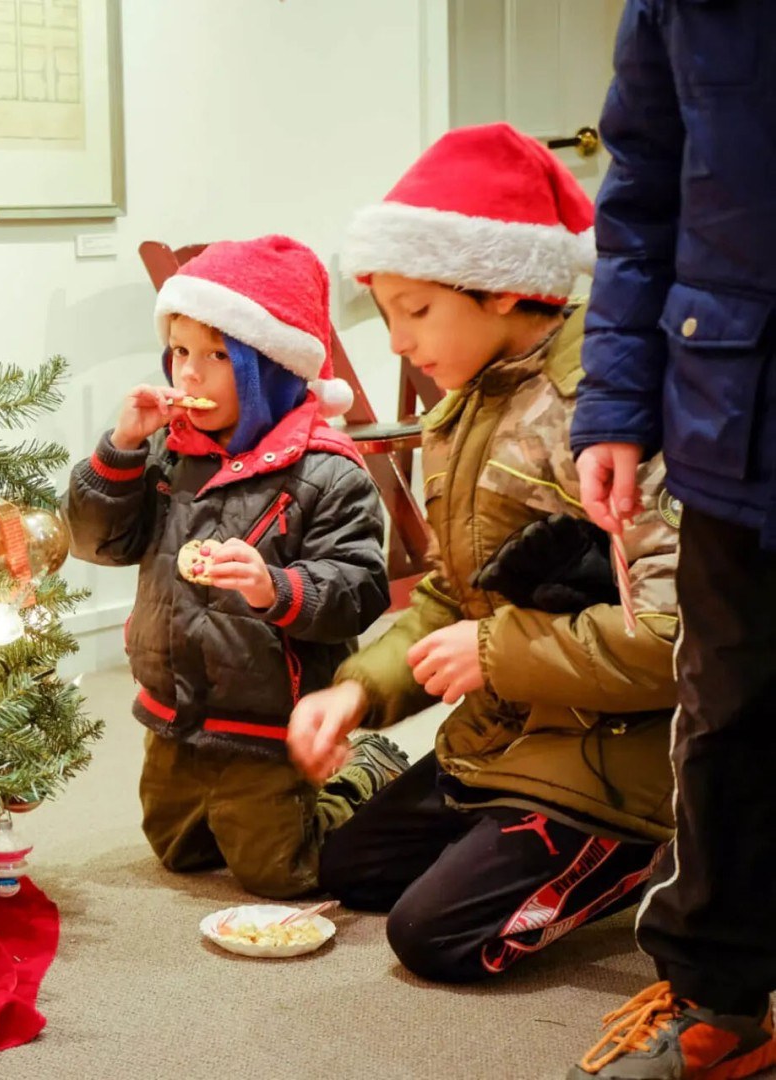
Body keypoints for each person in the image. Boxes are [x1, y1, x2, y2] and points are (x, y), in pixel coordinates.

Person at [287, 123, 681, 981]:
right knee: (351, 869)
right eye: (387, 313)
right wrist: (358, 689)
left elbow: (678, 636)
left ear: (502, 287)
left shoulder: (609, 416)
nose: (395, 340)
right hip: (511, 731)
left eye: (415, 310)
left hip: (620, 754)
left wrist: (496, 652)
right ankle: (505, 832)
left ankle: (654, 854)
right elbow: (450, 592)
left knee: (433, 938)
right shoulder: (458, 412)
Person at [65, 235, 406, 900]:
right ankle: (239, 797)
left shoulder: (326, 470)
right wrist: (121, 448)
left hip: (267, 720)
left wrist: (274, 587)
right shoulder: (166, 449)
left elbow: (360, 589)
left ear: (269, 367)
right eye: (181, 351)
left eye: (217, 356)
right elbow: (100, 543)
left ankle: (365, 772)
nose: (188, 374)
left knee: (282, 872)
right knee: (177, 851)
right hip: (176, 710)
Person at [566, 2, 776, 1076]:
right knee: (727, 713)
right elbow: (640, 197)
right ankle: (721, 1003)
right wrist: (613, 407)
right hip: (736, 417)